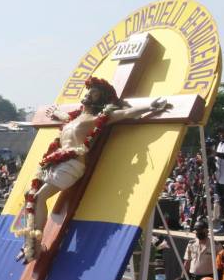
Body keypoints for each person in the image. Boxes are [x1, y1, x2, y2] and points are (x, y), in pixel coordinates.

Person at [19, 77, 169, 260]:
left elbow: (127, 113)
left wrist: (151, 106)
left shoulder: (99, 119)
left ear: (101, 100)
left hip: (71, 165)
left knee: (39, 196)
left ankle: (35, 244)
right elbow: (64, 118)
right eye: (89, 90)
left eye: (95, 92)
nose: (89, 93)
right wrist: (55, 112)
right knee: (30, 194)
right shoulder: (73, 118)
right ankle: (30, 241)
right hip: (55, 162)